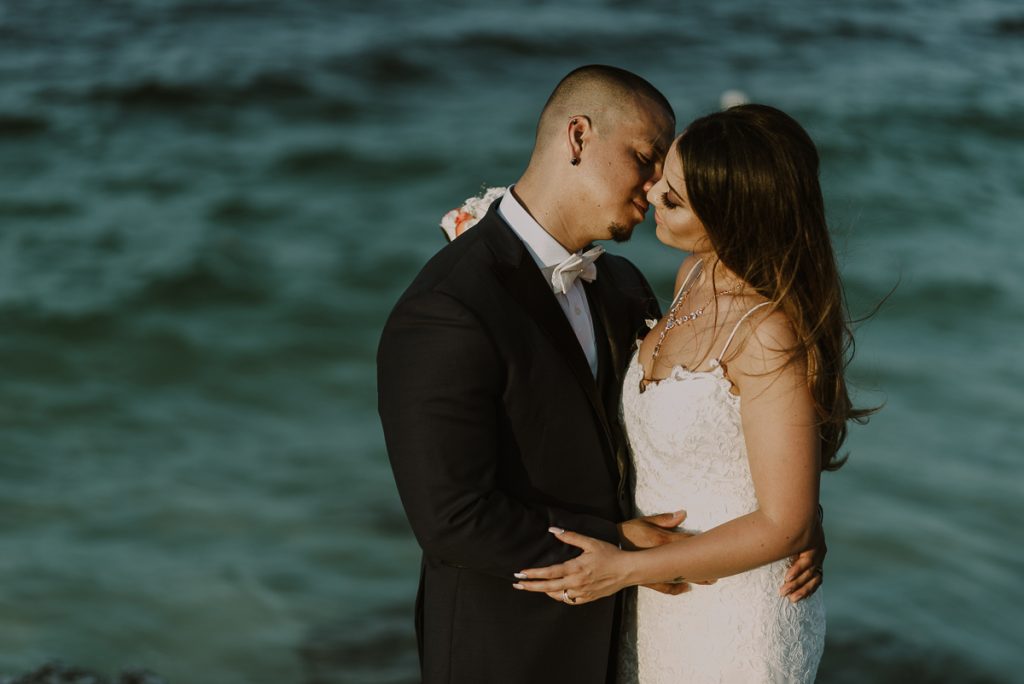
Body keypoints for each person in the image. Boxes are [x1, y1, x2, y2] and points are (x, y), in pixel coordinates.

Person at [377, 67, 824, 684]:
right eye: (644, 158)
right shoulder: (449, 307)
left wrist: (795, 518)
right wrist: (616, 543)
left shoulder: (622, 285)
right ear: (578, 138)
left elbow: (726, 415)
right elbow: (450, 515)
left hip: (654, 628)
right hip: (512, 646)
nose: (657, 183)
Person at [514, 104, 870, 683]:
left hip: (736, 621)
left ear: (733, 218)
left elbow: (785, 524)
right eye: (661, 176)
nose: (650, 194)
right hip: (659, 603)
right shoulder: (692, 277)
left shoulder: (765, 333)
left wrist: (621, 570)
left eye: (674, 199)